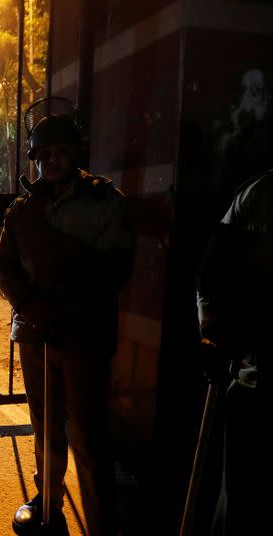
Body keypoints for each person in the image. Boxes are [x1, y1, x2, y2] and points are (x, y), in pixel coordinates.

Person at [0, 109, 134, 535]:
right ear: (34, 158)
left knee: (89, 435)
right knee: (45, 425)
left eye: (62, 152)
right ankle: (48, 504)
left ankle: (99, 520)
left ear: (76, 153)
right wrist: (32, 307)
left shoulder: (107, 202)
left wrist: (64, 312)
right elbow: (4, 266)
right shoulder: (22, 209)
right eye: (44, 154)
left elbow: (113, 270)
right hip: (35, 335)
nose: (52, 161)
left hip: (83, 338)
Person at [196, 170, 270, 535]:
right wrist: (210, 328)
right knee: (237, 497)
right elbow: (212, 271)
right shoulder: (258, 195)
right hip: (252, 379)